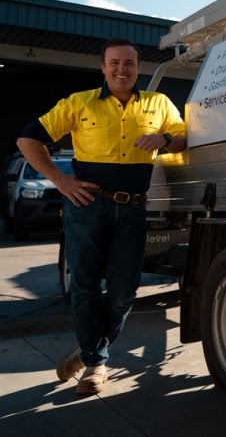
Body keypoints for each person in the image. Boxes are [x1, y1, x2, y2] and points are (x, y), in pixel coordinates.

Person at [16, 38, 187, 395]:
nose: (121, 69)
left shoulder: (159, 103)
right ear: (103, 67)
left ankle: (88, 349)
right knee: (86, 286)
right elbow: (28, 140)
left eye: (129, 63)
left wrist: (164, 138)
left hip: (134, 207)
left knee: (124, 291)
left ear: (138, 67)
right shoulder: (78, 103)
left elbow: (184, 138)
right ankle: (96, 364)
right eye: (114, 63)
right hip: (87, 207)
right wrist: (61, 181)